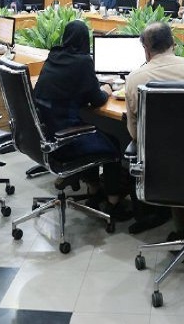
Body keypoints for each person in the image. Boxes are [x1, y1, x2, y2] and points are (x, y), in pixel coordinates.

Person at [124, 22, 184, 238]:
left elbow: (134, 134)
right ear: (173, 44)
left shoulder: (134, 79)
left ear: (146, 50)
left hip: (159, 166)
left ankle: (179, 230)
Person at [33, 20, 130, 220]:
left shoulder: (54, 56)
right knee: (112, 143)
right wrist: (106, 89)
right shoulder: (83, 62)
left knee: (94, 130)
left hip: (46, 135)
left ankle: (94, 190)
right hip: (66, 139)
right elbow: (98, 99)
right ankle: (113, 202)